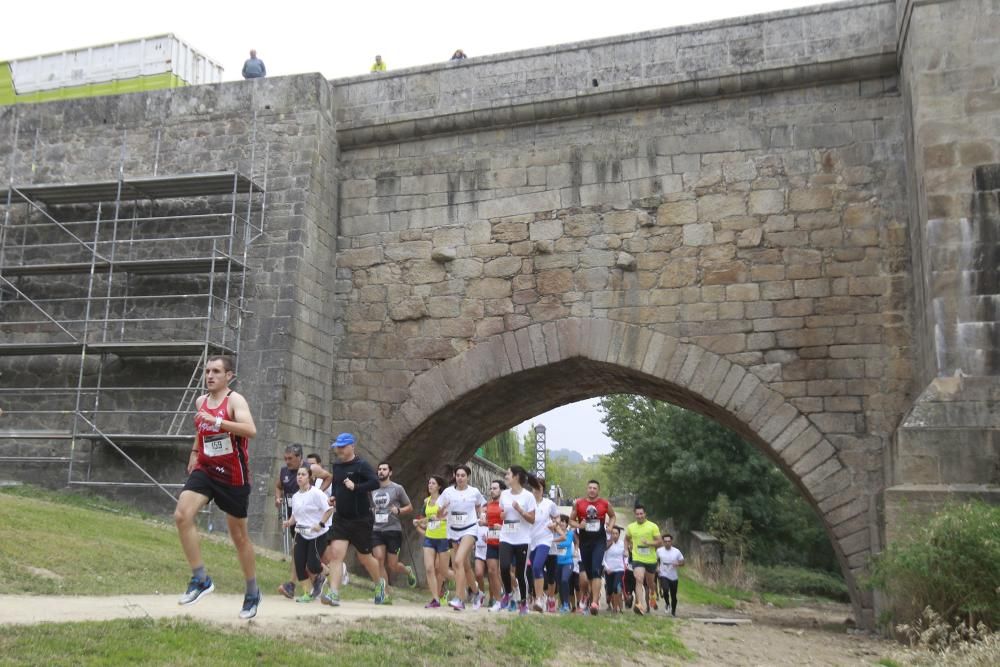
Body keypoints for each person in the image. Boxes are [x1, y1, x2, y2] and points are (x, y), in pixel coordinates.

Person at [174, 355, 260, 619]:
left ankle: (252, 592)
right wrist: (194, 451)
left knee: (239, 538)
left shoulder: (235, 400)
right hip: (206, 469)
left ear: (228, 376)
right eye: (207, 371)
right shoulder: (201, 401)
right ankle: (200, 579)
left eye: (216, 371)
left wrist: (219, 422)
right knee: (182, 516)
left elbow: (250, 430)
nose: (210, 376)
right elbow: (201, 430)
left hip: (233, 476)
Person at [319, 433, 386, 607]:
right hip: (341, 518)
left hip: (361, 520)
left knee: (364, 558)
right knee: (335, 554)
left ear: (352, 446)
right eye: (337, 447)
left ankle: (380, 584)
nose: (339, 450)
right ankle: (333, 593)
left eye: (342, 447)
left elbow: (375, 483)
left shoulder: (361, 465)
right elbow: (337, 485)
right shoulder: (338, 466)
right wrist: (333, 497)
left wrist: (356, 487)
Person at [437, 464, 485, 610]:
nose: (460, 478)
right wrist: (442, 510)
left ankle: (459, 599)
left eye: (463, 475)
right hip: (453, 531)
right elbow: (439, 514)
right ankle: (477, 593)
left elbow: (481, 505)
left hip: (470, 529)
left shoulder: (474, 492)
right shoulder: (447, 492)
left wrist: (481, 514)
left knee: (457, 561)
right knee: (465, 566)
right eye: (457, 475)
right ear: (454, 476)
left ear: (468, 477)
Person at [282, 466, 334, 602]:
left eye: (303, 474)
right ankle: (307, 593)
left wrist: (321, 524)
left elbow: (329, 510)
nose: (299, 477)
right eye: (298, 474)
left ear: (309, 477)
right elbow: (296, 515)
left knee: (312, 565)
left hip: (317, 534)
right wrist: (289, 522)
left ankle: (323, 575)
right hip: (301, 532)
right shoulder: (295, 496)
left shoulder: (317, 493)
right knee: (299, 565)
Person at [370, 462, 417, 603]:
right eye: (379, 469)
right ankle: (385, 593)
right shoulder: (372, 489)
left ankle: (407, 570)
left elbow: (410, 507)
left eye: (384, 469)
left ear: (390, 472)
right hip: (377, 529)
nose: (381, 472)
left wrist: (399, 510)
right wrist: (371, 511)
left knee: (392, 565)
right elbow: (371, 506)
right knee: (378, 560)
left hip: (393, 530)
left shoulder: (397, 488)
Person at [569, 479, 616, 615]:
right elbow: (571, 521)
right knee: (586, 575)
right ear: (586, 489)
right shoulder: (579, 504)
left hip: (599, 542)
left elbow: (612, 516)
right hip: (585, 542)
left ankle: (594, 603)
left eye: (595, 488)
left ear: (598, 490)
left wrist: (610, 526)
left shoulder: (605, 504)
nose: (592, 490)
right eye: (590, 487)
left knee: (596, 570)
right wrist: (579, 525)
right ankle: (587, 595)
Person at [498, 465, 536, 615]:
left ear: (516, 477)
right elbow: (503, 513)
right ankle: (507, 593)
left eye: (508, 474)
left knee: (520, 573)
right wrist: (502, 516)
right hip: (506, 536)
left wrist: (520, 510)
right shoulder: (504, 495)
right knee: (504, 567)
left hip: (522, 539)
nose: (506, 476)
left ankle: (523, 602)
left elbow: (532, 519)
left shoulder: (528, 496)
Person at [413, 475, 450, 608]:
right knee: (429, 568)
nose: (430, 485)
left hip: (443, 537)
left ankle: (465, 583)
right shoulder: (426, 500)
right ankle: (435, 599)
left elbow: (447, 518)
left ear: (439, 486)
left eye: (433, 483)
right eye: (429, 483)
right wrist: (419, 522)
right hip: (430, 537)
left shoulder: (445, 500)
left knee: (443, 571)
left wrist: (438, 519)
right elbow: (428, 519)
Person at [527, 476, 560, 613]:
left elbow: (557, 516)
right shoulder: (527, 502)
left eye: (539, 487)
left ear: (543, 489)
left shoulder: (549, 504)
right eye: (534, 487)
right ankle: (537, 597)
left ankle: (539, 599)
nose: (536, 490)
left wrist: (555, 523)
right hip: (530, 540)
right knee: (534, 570)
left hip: (545, 539)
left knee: (537, 566)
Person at [624, 504, 662, 615]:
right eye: (637, 514)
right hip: (637, 558)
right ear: (634, 515)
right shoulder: (631, 527)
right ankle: (639, 604)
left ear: (645, 514)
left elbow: (659, 542)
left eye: (641, 514)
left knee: (650, 583)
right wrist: (626, 550)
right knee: (639, 579)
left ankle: (653, 594)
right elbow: (626, 539)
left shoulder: (652, 526)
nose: (639, 516)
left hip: (650, 559)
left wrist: (649, 543)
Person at [481, 479, 506, 611]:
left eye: (495, 488)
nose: (492, 491)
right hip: (491, 541)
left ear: (501, 490)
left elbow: (512, 521)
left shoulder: (505, 505)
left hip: (505, 542)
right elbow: (488, 522)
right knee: (491, 571)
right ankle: (498, 600)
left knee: (504, 572)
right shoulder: (488, 505)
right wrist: (483, 523)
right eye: (491, 488)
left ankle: (512, 594)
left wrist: (501, 527)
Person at [656, 533, 685, 617]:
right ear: (663, 542)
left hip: (673, 576)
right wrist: (657, 567)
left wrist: (678, 564)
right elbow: (656, 560)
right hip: (663, 574)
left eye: (669, 541)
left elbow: (683, 562)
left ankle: (673, 611)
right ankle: (667, 603)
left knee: (673, 595)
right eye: (665, 541)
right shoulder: (659, 551)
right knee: (665, 589)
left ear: (671, 542)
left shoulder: (676, 551)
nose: (667, 543)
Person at [552, 515, 575, 613]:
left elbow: (567, 542)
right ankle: (563, 604)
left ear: (567, 524)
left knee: (564, 580)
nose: (562, 523)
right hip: (557, 563)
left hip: (568, 562)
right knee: (560, 584)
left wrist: (554, 542)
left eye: (564, 522)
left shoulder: (570, 533)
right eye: (561, 521)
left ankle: (566, 603)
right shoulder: (554, 533)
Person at [603, 526, 626, 613]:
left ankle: (616, 607)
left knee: (616, 587)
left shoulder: (622, 544)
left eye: (616, 533)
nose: (615, 535)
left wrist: (625, 564)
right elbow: (602, 558)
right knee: (610, 590)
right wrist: (607, 568)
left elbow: (625, 556)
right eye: (613, 533)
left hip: (619, 569)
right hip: (609, 569)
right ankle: (609, 600)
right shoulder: (606, 544)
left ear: (619, 535)